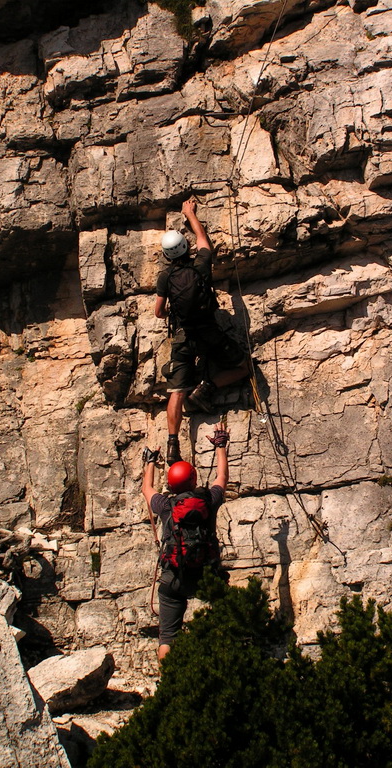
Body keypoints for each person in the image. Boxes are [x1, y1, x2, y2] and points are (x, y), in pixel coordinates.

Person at [155, 198, 250, 465]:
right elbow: (203, 240)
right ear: (186, 249)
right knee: (243, 367)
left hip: (185, 338)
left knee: (176, 391)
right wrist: (189, 213)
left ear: (166, 256)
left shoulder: (165, 278)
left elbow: (158, 312)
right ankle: (207, 388)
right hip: (211, 333)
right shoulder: (200, 266)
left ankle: (173, 444)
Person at [142, 423, 230, 662]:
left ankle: (169, 679)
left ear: (171, 485)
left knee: (168, 636)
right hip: (207, 575)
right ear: (193, 481)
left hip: (173, 577)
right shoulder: (208, 500)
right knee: (228, 621)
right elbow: (222, 476)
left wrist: (150, 461)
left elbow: (146, 488)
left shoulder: (164, 505)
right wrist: (220, 445)